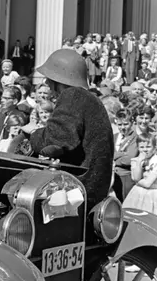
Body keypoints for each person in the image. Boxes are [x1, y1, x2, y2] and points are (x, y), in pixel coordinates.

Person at [30, 49, 114, 209]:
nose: (47, 83)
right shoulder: (87, 98)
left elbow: (55, 140)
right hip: (87, 189)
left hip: (77, 193)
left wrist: (33, 133)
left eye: (49, 78)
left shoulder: (72, 95)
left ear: (59, 79)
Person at [123, 133, 157, 214]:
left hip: (153, 194)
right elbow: (135, 178)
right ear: (138, 148)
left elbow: (147, 183)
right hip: (137, 193)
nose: (145, 150)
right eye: (142, 147)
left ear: (154, 148)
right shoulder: (135, 161)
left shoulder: (156, 161)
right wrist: (139, 162)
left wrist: (137, 181)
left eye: (148, 147)